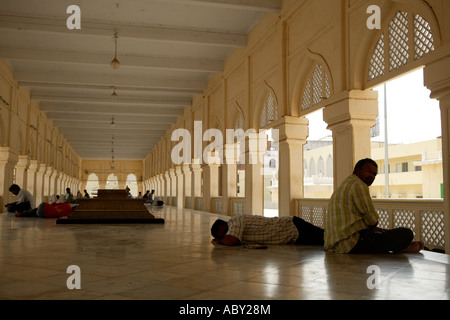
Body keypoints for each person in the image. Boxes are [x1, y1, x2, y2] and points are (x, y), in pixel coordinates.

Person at [324, 158, 424, 254]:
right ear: (356, 170)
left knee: (383, 234)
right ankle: (402, 247)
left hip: (335, 244)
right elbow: (372, 221)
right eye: (368, 171)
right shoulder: (359, 185)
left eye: (374, 174)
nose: (371, 176)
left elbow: (368, 225)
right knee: (406, 233)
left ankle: (399, 246)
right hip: (351, 243)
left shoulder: (345, 184)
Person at [211, 215, 324, 247]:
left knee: (326, 237)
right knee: (323, 241)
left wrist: (219, 241)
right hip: (292, 235)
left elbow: (231, 241)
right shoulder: (234, 226)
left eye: (223, 234)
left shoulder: (235, 221)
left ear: (223, 225)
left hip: (292, 226)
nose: (225, 236)